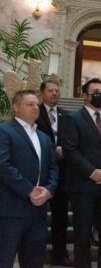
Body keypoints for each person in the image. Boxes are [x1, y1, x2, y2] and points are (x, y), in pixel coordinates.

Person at [62, 78, 101, 268]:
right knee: (82, 235)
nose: (100, 95)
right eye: (96, 92)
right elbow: (71, 151)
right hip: (83, 187)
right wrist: (93, 173)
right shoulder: (73, 118)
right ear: (85, 96)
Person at [0, 90, 58, 268]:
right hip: (10, 212)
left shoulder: (44, 137)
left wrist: (49, 190)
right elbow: (3, 165)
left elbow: (53, 169)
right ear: (15, 108)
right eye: (29, 104)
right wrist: (29, 190)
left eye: (36, 104)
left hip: (38, 213)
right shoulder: (4, 131)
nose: (35, 108)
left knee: (34, 262)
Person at [36, 78, 73, 266]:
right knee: (37, 217)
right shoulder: (35, 113)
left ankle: (60, 253)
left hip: (62, 173)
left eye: (57, 91)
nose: (54, 93)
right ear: (42, 92)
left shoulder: (66, 115)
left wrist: (64, 150)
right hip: (39, 173)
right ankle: (35, 253)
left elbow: (72, 141)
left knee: (60, 217)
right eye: (51, 90)